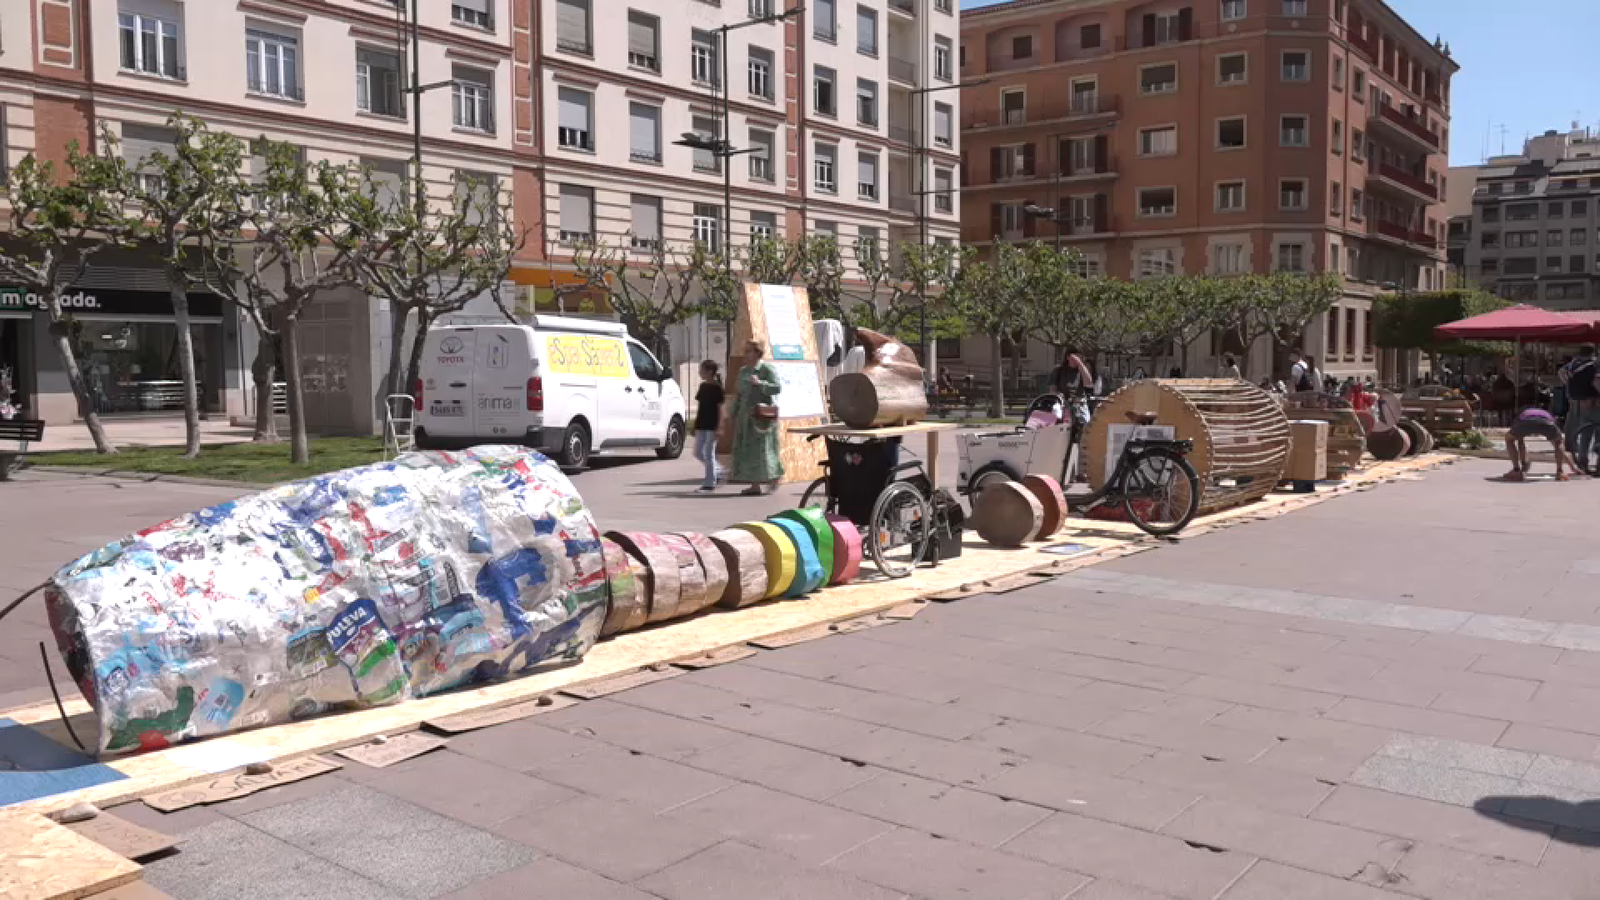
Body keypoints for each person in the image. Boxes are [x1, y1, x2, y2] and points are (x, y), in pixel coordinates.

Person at [728, 340, 783, 496]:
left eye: (748, 351)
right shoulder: (743, 371)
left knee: (764, 450)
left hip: (762, 418)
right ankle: (754, 485)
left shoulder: (766, 369)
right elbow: (739, 394)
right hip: (746, 417)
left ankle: (775, 477)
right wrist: (733, 413)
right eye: (745, 351)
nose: (745, 354)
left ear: (757, 353)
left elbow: (777, 387)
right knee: (749, 450)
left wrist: (761, 383)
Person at [1504, 405, 1577, 481]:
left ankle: (1516, 471)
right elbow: (1560, 449)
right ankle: (1560, 472)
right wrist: (1573, 467)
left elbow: (1520, 442)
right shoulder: (1547, 414)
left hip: (1526, 422)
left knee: (1509, 439)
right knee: (1558, 442)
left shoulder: (1520, 415)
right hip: (1546, 422)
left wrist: (1524, 464)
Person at [692, 360, 724, 492]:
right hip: (702, 423)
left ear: (710, 371)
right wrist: (695, 424)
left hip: (712, 424)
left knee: (708, 453)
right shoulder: (703, 386)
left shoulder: (718, 388)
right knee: (698, 452)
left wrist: (719, 426)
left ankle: (709, 483)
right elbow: (700, 407)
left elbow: (721, 408)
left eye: (702, 370)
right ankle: (719, 470)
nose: (700, 372)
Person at [1560, 345, 1598, 453]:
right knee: (1587, 423)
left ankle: (1570, 445)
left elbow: (1561, 372)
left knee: (1572, 420)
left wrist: (1567, 383)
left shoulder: (1574, 363)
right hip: (1586, 397)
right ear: (1592, 352)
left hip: (1572, 396)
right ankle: (1583, 451)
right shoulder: (1592, 364)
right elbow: (1595, 381)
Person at [1052, 347, 1094, 426]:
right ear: (1068, 357)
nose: (1078, 358)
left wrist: (1080, 364)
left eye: (1080, 357)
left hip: (1079, 403)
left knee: (1085, 423)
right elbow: (1052, 389)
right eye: (1076, 356)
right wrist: (1058, 394)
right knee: (1056, 420)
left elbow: (1088, 383)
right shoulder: (1059, 370)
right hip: (1063, 403)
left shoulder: (1082, 370)